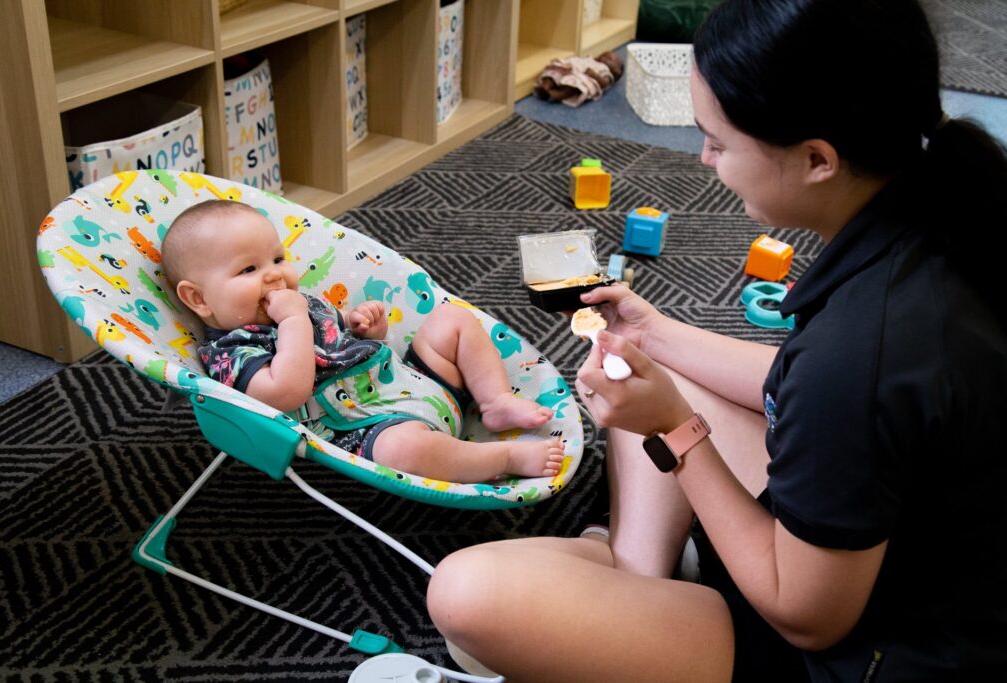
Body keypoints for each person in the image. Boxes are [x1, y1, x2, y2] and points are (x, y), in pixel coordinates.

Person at [425, 0, 1007, 680]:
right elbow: (805, 389)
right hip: (899, 547)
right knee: (652, 365)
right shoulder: (933, 218)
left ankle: (629, 602)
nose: (703, 159)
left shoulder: (862, 352)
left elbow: (809, 617)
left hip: (852, 648)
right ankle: (635, 576)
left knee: (465, 596)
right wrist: (657, 332)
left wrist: (676, 429)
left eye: (719, 142)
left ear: (818, 158)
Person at [161, 199, 564, 483]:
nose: (275, 276)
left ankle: (493, 401)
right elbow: (287, 390)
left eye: (278, 260)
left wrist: (366, 329)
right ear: (198, 298)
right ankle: (500, 457)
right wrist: (293, 321)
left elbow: (342, 347)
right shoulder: (233, 352)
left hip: (415, 383)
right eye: (249, 269)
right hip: (372, 425)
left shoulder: (301, 303)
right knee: (405, 451)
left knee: (452, 319)